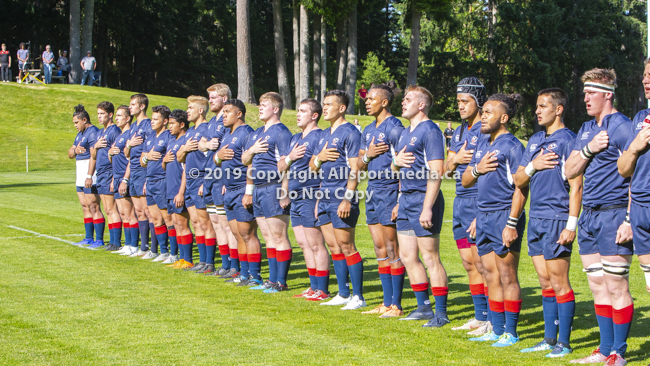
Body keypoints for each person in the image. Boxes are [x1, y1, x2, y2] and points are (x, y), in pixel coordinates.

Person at [565, 68, 634, 366]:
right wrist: (589, 149)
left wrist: (630, 220)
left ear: (608, 94)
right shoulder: (586, 129)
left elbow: (637, 175)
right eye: (584, 93)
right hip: (589, 217)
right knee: (597, 285)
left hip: (615, 214)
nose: (585, 99)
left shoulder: (622, 127)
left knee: (616, 284)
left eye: (591, 93)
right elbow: (569, 171)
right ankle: (604, 349)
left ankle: (619, 352)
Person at [514, 88, 581, 358]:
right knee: (544, 281)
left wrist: (571, 225)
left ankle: (564, 343)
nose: (537, 111)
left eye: (543, 106)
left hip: (556, 218)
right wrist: (534, 165)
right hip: (536, 218)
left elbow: (576, 187)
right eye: (537, 106)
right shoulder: (534, 140)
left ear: (559, 109)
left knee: (559, 281)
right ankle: (549, 339)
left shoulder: (568, 140)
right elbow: (518, 180)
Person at [461, 93, 527, 347]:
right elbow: (467, 180)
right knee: (489, 274)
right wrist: (478, 169)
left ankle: (511, 332)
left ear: (504, 117)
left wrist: (511, 223)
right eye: (484, 111)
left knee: (507, 274)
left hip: (503, 216)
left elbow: (521, 188)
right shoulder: (482, 145)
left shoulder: (512, 146)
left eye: (489, 112)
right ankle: (496, 329)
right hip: (483, 216)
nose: (484, 116)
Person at [391, 85, 448, 327]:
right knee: (407, 256)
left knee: (430, 257)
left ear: (421, 105)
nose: (403, 103)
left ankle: (441, 314)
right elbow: (399, 168)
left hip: (424, 199)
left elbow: (437, 171)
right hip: (405, 200)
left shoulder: (431, 131)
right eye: (403, 99)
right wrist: (395, 164)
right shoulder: (405, 132)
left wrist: (427, 207)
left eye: (408, 99)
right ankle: (424, 307)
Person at [309, 90, 366, 310]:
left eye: (329, 104)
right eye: (323, 104)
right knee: (333, 247)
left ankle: (358, 297)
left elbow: (356, 169)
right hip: (323, 197)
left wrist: (347, 199)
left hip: (341, 197)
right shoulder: (323, 135)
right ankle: (343, 293)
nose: (324, 108)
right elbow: (311, 168)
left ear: (341, 108)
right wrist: (320, 159)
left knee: (347, 245)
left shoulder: (350, 132)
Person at [445, 77, 490, 335]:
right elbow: (446, 168)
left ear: (478, 101)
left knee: (482, 263)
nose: (460, 106)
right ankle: (479, 315)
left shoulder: (484, 130)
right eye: (459, 101)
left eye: (466, 101)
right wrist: (456, 160)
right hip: (459, 201)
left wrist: (458, 162)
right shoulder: (460, 131)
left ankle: (491, 319)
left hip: (477, 201)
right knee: (468, 263)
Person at [357, 84, 406, 317]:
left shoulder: (394, 128)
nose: (367, 102)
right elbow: (359, 164)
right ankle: (386, 302)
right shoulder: (367, 130)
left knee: (392, 248)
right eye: (366, 99)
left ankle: (396, 304)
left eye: (371, 99)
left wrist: (399, 199)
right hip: (372, 190)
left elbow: (404, 165)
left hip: (388, 190)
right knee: (379, 248)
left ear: (384, 102)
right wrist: (369, 154)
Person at [277, 98, 332, 300]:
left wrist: (320, 197)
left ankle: (323, 290)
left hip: (311, 194)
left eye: (302, 111)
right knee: (303, 243)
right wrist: (290, 158)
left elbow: (322, 167)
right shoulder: (294, 138)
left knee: (316, 243)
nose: (298, 114)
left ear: (314, 115)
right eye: (298, 110)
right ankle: (312, 286)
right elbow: (281, 167)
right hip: (295, 196)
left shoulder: (319, 137)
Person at [241, 92, 293, 291]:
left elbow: (287, 164)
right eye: (259, 105)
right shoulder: (256, 134)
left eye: (264, 105)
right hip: (259, 189)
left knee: (279, 236)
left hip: (274, 187)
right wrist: (253, 149)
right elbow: (245, 161)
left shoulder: (282, 132)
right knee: (268, 237)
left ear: (276, 109)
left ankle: (281, 282)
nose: (260, 108)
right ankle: (271, 280)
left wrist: (284, 192)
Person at [215, 99, 255, 283]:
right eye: (223, 112)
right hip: (229, 190)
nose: (223, 115)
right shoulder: (226, 134)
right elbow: (219, 160)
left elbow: (252, 164)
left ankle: (254, 275)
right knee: (237, 234)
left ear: (239, 114)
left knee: (247, 234)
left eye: (227, 112)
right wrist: (218, 157)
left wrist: (248, 191)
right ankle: (243, 273)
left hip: (241, 190)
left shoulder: (247, 133)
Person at [618, 60, 650, 295]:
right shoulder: (640, 118)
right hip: (640, 208)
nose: (645, 80)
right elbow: (624, 170)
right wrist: (635, 147)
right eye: (644, 75)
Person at [176, 96, 217, 273]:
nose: (187, 111)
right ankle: (201, 261)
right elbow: (179, 157)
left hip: (201, 179)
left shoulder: (207, 129)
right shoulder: (190, 132)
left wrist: (205, 181)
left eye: (191, 107)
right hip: (190, 181)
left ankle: (209, 262)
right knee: (196, 222)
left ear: (201, 110)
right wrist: (184, 148)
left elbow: (211, 158)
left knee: (205, 223)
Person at [199, 83, 236, 277]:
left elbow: (229, 151)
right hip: (209, 176)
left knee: (226, 224)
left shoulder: (227, 120)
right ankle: (223, 264)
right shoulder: (213, 120)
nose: (210, 101)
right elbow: (201, 143)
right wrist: (207, 144)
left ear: (224, 98)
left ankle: (234, 266)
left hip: (221, 177)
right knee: (215, 222)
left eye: (213, 97)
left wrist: (224, 181)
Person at [140, 105, 174, 262]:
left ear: (165, 121)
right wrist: (147, 157)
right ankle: (163, 251)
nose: (152, 122)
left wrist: (160, 159)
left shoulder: (168, 136)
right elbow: (142, 161)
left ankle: (174, 254)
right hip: (150, 180)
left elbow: (170, 159)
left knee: (168, 219)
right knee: (155, 218)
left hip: (162, 180)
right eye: (152, 119)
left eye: (155, 119)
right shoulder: (150, 137)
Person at [67, 105, 103, 247]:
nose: (75, 125)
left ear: (84, 119)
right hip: (79, 173)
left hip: (89, 173)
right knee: (85, 206)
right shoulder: (79, 134)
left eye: (77, 122)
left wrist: (90, 175)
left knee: (93, 206)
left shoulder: (93, 132)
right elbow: (70, 154)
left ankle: (99, 239)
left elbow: (95, 155)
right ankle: (88, 237)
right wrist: (75, 150)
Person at [90, 102, 123, 250]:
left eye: (102, 114)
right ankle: (112, 241)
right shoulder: (99, 133)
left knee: (112, 209)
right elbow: (93, 155)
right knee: (107, 209)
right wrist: (95, 147)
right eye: (98, 114)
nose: (99, 117)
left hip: (110, 172)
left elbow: (117, 154)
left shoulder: (114, 131)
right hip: (101, 173)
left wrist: (115, 178)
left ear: (110, 115)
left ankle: (116, 242)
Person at [163, 109, 193, 268]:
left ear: (182, 124)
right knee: (176, 224)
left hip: (179, 190)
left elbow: (187, 169)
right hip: (170, 188)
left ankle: (187, 259)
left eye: (172, 123)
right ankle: (181, 259)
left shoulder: (185, 141)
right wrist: (164, 160)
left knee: (182, 224)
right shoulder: (172, 141)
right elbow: (165, 165)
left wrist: (181, 192)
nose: (169, 127)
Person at [124, 94, 152, 257]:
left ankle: (150, 247)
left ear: (142, 106)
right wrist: (129, 144)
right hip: (133, 171)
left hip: (143, 171)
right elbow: (127, 153)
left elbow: (150, 148)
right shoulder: (133, 126)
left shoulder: (148, 125)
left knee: (147, 211)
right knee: (139, 211)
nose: (130, 107)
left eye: (133, 104)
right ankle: (141, 246)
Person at [110, 105, 139, 256]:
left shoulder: (129, 134)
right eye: (116, 115)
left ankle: (133, 245)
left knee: (129, 213)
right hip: (117, 177)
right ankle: (127, 244)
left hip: (124, 177)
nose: (116, 118)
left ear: (128, 118)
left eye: (120, 115)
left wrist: (125, 179)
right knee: (122, 213)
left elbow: (130, 160)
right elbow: (113, 157)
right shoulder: (120, 135)